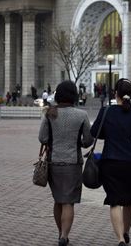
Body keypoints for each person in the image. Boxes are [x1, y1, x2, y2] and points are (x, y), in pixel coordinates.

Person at [90, 79, 131, 246]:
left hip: (110, 161)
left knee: (114, 201)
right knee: (128, 201)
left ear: (115, 93)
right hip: (130, 163)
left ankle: (120, 239)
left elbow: (94, 132)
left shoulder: (106, 111)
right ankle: (125, 232)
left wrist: (109, 133)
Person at [38, 81, 93, 246]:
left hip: (54, 161)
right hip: (73, 162)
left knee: (58, 200)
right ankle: (64, 235)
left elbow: (43, 138)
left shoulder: (50, 113)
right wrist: (80, 144)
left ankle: (60, 233)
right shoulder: (81, 115)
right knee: (69, 201)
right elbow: (88, 140)